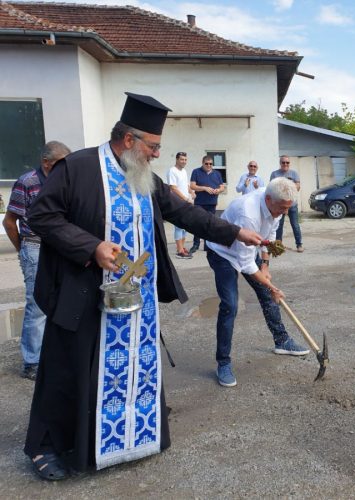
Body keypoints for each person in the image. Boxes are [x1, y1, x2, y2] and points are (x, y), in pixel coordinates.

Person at [23, 92, 262, 481]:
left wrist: (236, 232)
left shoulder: (145, 179)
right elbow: (41, 217)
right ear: (129, 140)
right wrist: (92, 247)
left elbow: (185, 213)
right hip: (83, 291)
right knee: (69, 369)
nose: (156, 155)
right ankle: (47, 447)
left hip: (136, 299)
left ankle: (130, 434)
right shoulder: (78, 168)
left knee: (132, 363)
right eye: (153, 146)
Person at [206, 178, 310, 387]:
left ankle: (282, 341)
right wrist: (272, 287)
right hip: (223, 252)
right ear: (268, 199)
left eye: (287, 209)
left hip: (248, 248)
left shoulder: (279, 204)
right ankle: (223, 363)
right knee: (230, 305)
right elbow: (245, 264)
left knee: (266, 294)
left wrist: (265, 265)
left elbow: (269, 236)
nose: (284, 212)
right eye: (282, 208)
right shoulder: (248, 213)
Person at [3, 141, 71, 380]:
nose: (66, 168)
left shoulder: (65, 180)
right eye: (60, 165)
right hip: (35, 247)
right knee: (37, 304)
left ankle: (52, 354)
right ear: (46, 162)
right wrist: (24, 250)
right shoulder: (28, 181)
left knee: (62, 300)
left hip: (60, 247)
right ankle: (32, 361)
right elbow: (9, 222)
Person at [189, 155, 226, 253]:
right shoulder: (196, 171)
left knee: (209, 224)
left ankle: (208, 246)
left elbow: (222, 187)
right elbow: (192, 186)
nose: (209, 165)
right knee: (198, 224)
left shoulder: (217, 173)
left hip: (212, 203)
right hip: (200, 202)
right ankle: (195, 244)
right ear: (202, 163)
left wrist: (218, 190)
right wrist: (204, 188)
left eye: (211, 164)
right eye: (207, 164)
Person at [270, 155, 303, 252]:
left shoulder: (294, 173)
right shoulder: (274, 174)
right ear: (280, 163)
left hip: (292, 205)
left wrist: (286, 187)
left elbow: (298, 187)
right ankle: (278, 246)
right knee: (278, 225)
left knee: (295, 225)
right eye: (283, 162)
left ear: (289, 163)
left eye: (287, 162)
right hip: (279, 206)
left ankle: (299, 245)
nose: (285, 164)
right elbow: (272, 187)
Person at [167, 151, 194, 259]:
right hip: (177, 202)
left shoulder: (184, 171)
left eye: (185, 160)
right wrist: (185, 198)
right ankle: (179, 251)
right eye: (182, 159)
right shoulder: (172, 171)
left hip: (185, 202)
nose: (184, 162)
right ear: (177, 160)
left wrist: (191, 192)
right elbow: (173, 188)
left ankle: (182, 248)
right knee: (178, 227)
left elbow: (185, 185)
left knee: (184, 227)